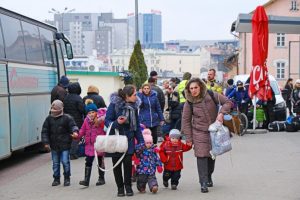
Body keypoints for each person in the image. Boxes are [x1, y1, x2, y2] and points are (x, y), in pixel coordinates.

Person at [181, 78, 231, 193]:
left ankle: (209, 175)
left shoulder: (211, 94)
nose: (193, 90)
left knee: (211, 156)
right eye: (191, 88)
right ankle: (203, 182)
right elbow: (186, 120)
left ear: (201, 87)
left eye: (195, 88)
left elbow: (228, 102)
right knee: (201, 156)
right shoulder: (189, 102)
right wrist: (189, 138)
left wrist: (221, 114)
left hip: (214, 131)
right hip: (199, 132)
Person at [105, 85, 144, 197]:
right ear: (127, 96)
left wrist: (141, 142)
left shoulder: (134, 107)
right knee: (116, 165)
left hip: (129, 140)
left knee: (127, 164)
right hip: (116, 140)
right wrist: (118, 123)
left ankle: (128, 186)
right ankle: (120, 188)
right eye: (134, 95)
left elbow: (136, 126)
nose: (136, 97)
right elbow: (107, 121)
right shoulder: (114, 105)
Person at [41, 100, 79, 186]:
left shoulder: (67, 118)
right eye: (53, 109)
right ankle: (56, 179)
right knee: (55, 163)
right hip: (54, 145)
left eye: (55, 109)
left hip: (65, 144)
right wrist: (46, 143)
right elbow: (44, 131)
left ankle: (67, 178)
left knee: (65, 162)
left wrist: (75, 132)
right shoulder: (49, 119)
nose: (53, 111)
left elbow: (73, 126)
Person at [76, 100, 106, 187]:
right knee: (88, 161)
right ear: (87, 114)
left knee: (100, 161)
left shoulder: (100, 121)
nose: (91, 114)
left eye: (93, 112)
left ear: (96, 112)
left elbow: (105, 129)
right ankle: (86, 180)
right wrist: (77, 135)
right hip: (89, 145)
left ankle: (101, 178)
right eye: (89, 113)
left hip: (98, 144)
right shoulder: (86, 121)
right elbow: (82, 130)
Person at [135, 128, 163, 194]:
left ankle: (154, 187)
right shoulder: (140, 149)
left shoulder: (153, 150)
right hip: (142, 169)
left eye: (150, 143)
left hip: (151, 169)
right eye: (147, 143)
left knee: (152, 179)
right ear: (144, 143)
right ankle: (141, 188)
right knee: (141, 180)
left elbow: (157, 158)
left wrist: (159, 165)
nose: (149, 144)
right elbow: (136, 154)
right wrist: (136, 160)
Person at [63, 82, 85, 160]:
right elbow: (82, 109)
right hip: (77, 120)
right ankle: (73, 154)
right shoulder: (78, 98)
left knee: (69, 137)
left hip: (66, 120)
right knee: (76, 137)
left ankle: (67, 153)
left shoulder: (66, 97)